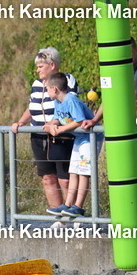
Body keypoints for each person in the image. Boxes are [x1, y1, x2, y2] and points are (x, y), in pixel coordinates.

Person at [82, 38, 137, 220]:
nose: (126, 57)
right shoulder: (119, 70)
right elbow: (110, 97)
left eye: (129, 52)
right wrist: (95, 119)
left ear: (135, 50)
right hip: (132, 132)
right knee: (127, 175)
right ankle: (131, 216)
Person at [10, 47, 77, 212]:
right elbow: (32, 107)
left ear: (52, 65)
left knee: (65, 179)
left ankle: (71, 214)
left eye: (40, 66)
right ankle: (59, 219)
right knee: (47, 177)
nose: (37, 69)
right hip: (38, 137)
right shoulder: (36, 84)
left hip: (60, 136)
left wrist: (55, 123)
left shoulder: (66, 79)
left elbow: (68, 104)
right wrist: (20, 122)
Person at [43, 73, 99, 219]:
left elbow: (80, 121)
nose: (46, 92)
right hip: (79, 138)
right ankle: (68, 204)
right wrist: (52, 125)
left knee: (83, 171)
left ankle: (78, 206)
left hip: (89, 138)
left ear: (54, 89)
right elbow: (57, 118)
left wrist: (60, 129)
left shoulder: (71, 100)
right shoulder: (58, 102)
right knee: (73, 170)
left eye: (47, 89)